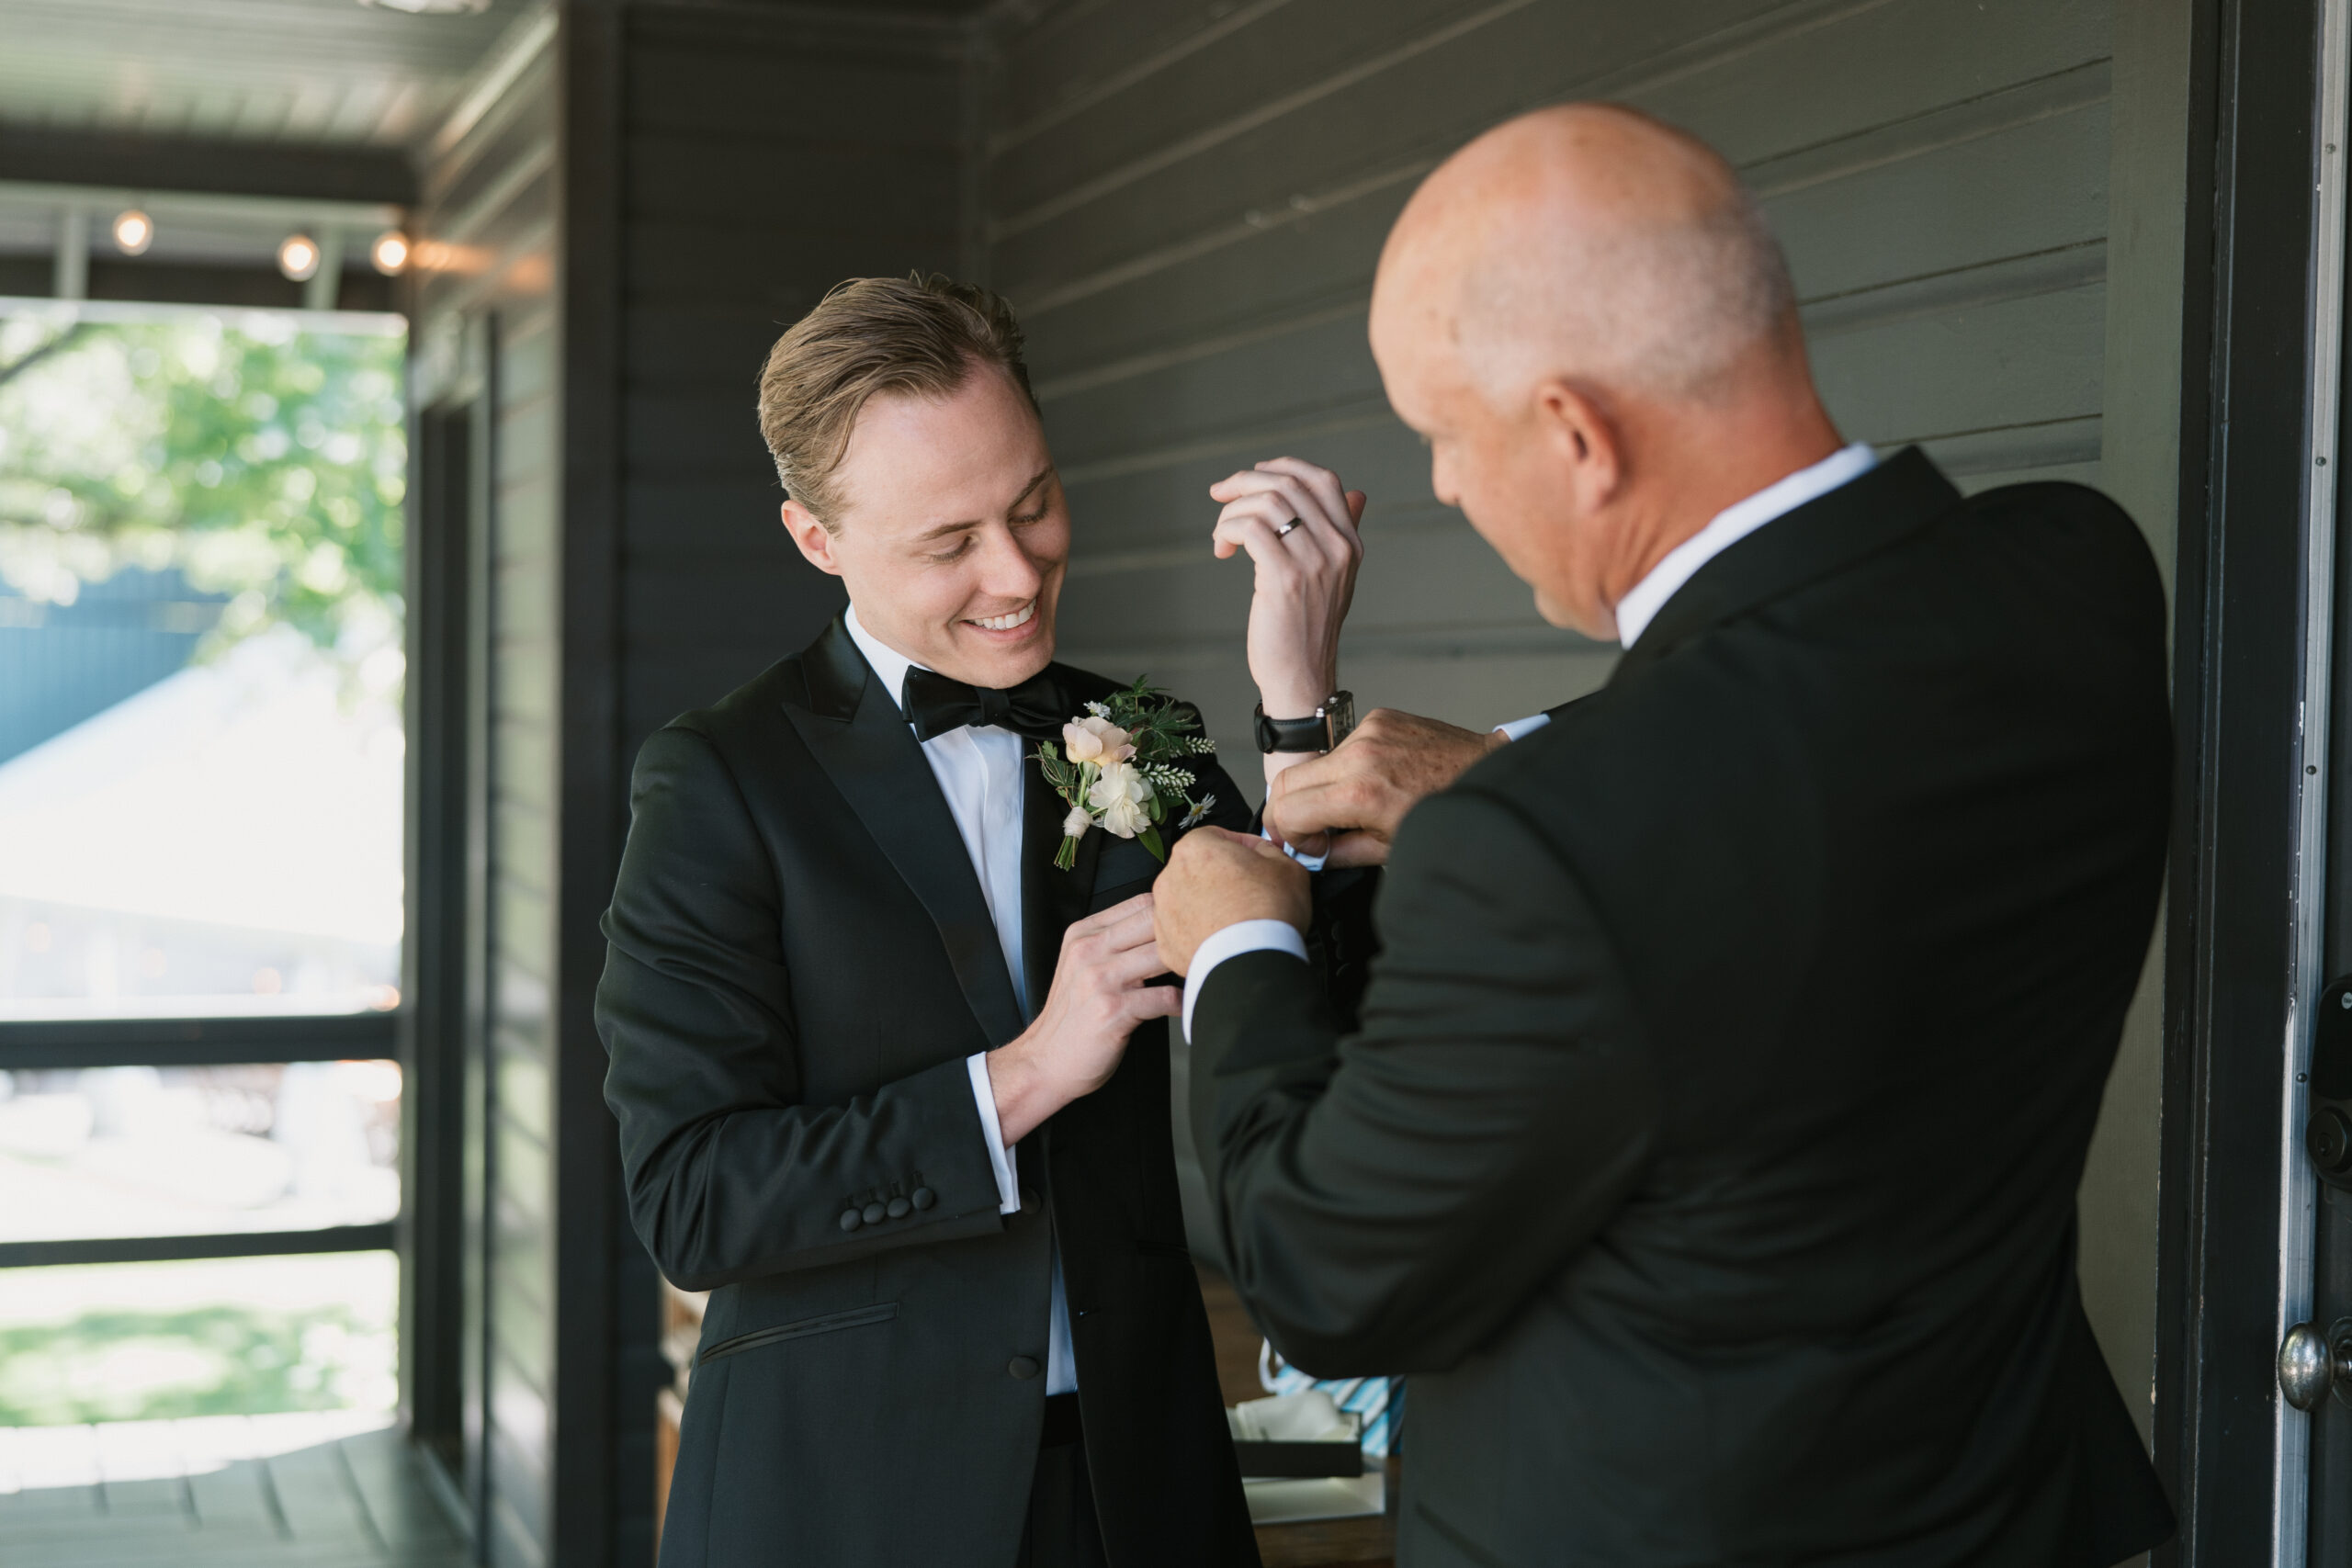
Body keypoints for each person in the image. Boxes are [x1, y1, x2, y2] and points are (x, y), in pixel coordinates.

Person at [1153, 105, 2177, 1565]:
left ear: (1577, 431)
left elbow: (1327, 1276)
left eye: (1447, 434)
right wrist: (1478, 765)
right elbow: (1776, 760)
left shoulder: (1560, 853)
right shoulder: (2076, 580)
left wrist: (1235, 940)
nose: (1442, 480)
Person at [596, 275, 1303, 1568]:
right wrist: (1022, 1077)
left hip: (1141, 1488)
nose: (1019, 572)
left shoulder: (1139, 735)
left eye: (1033, 503)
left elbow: (1309, 983)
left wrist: (1295, 692)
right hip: (843, 1500)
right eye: (949, 542)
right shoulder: (718, 782)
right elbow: (694, 1200)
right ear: (817, 539)